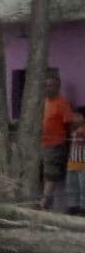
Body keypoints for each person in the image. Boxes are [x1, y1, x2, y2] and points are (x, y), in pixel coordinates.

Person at [41, 72, 72, 211]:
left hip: (56, 144)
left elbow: (69, 123)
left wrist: (66, 142)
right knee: (44, 175)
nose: (48, 88)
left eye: (51, 85)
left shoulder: (62, 102)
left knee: (51, 175)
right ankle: (46, 204)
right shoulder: (44, 102)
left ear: (57, 87)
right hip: (43, 144)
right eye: (46, 85)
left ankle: (43, 205)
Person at [67, 105, 85, 216]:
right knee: (72, 186)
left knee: (83, 188)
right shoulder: (75, 129)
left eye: (78, 116)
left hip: (83, 163)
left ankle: (83, 210)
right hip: (73, 162)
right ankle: (73, 207)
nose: (75, 118)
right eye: (74, 116)